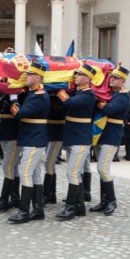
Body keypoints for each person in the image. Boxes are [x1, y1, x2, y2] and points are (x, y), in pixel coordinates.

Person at [5, 61, 50, 223]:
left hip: (34, 140)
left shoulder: (39, 96)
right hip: (32, 138)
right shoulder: (33, 93)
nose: (26, 76)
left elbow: (20, 114)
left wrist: (13, 99)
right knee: (36, 174)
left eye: (29, 74)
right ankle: (37, 210)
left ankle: (24, 212)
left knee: (25, 172)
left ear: (38, 77)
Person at [55, 64, 96, 220]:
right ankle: (79, 207)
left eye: (79, 75)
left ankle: (70, 208)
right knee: (75, 173)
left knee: (71, 172)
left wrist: (58, 90)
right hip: (73, 137)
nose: (75, 77)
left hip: (80, 139)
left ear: (87, 79)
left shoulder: (88, 94)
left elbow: (69, 103)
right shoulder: (79, 92)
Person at [90, 65, 130, 216]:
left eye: (117, 78)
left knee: (102, 168)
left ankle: (112, 200)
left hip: (111, 136)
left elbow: (108, 110)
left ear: (123, 81)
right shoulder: (109, 93)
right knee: (102, 170)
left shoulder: (123, 96)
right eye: (112, 77)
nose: (112, 80)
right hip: (101, 134)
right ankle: (104, 201)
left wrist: (98, 100)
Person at [0, 91, 21, 211]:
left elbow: (19, 113)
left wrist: (14, 98)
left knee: (7, 167)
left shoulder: (20, 94)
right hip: (4, 133)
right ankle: (15, 197)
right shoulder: (2, 94)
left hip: (15, 134)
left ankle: (3, 200)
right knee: (13, 167)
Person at [43, 91, 66, 204]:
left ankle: (47, 194)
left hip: (56, 133)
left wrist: (53, 97)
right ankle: (51, 195)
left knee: (48, 162)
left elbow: (58, 112)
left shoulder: (59, 97)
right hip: (50, 132)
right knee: (50, 163)